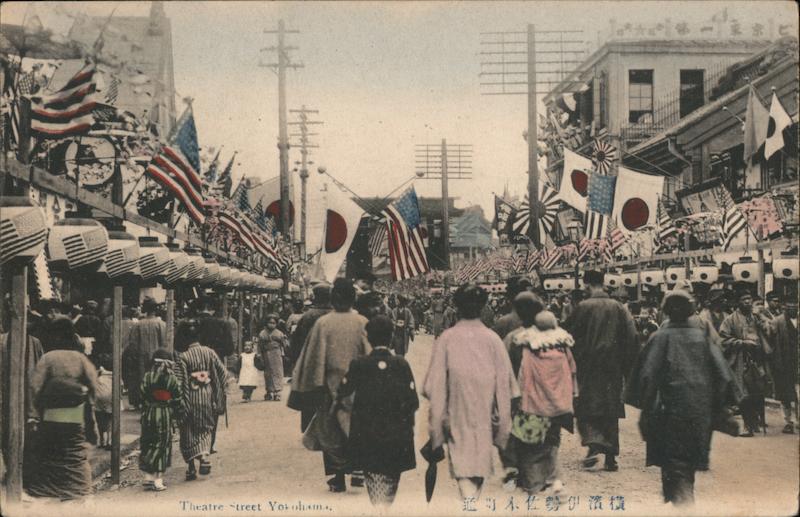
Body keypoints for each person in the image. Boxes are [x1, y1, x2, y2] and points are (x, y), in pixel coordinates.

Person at [626, 290, 741, 507]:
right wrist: (719, 407)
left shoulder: (659, 338)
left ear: (665, 312)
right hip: (700, 413)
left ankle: (683, 504)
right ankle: (682, 499)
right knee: (687, 463)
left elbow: (647, 377)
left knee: (674, 464)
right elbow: (723, 376)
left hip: (669, 412)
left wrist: (645, 410)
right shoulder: (702, 338)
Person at [423, 284, 515, 500]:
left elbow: (432, 387)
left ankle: (469, 503)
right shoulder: (493, 339)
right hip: (485, 418)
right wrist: (503, 428)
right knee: (477, 471)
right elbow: (506, 388)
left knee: (464, 472)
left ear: (457, 306)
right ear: (483, 306)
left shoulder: (447, 338)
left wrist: (436, 428)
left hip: (455, 416)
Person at [290, 278, 370, 492]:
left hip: (329, 386)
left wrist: (312, 385)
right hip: (357, 387)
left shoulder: (323, 323)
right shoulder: (361, 321)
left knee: (331, 431)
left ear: (334, 299)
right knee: (357, 428)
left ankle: (338, 476)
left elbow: (313, 357)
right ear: (353, 299)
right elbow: (368, 353)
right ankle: (358, 470)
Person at [336, 315, 418, 506]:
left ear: (368, 338)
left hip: (366, 436)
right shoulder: (401, 364)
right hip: (396, 437)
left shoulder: (359, 364)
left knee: (374, 482)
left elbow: (343, 392)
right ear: (391, 337)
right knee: (390, 483)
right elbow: (412, 401)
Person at [564, 270, 638, 472]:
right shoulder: (619, 308)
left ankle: (593, 444)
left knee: (586, 407)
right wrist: (626, 365)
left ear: (587, 285)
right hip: (612, 366)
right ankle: (611, 457)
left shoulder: (583, 307)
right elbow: (631, 337)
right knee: (610, 409)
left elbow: (569, 335)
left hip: (587, 365)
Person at [504, 293, 576, 495]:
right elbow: (571, 369)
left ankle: (533, 485)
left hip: (528, 402)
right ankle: (553, 478)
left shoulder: (516, 339)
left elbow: (505, 369)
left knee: (528, 444)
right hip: (556, 402)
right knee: (551, 441)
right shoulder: (559, 338)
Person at [27, 318, 98, 499]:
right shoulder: (80, 358)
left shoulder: (47, 358)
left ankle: (51, 491)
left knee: (52, 454)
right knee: (74, 454)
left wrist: (34, 414)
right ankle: (78, 489)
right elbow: (93, 384)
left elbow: (35, 387)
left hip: (50, 414)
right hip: (75, 414)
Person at [176, 319, 227, 481]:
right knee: (205, 428)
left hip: (189, 397)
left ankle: (191, 467)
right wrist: (218, 389)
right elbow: (223, 374)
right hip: (207, 396)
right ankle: (204, 457)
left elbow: (178, 381)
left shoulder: (183, 357)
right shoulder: (209, 352)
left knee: (187, 431)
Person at [719, 290, 771, 436]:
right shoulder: (730, 320)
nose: (747, 302)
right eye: (744, 299)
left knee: (757, 391)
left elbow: (769, 331)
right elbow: (723, 339)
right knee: (743, 393)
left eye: (749, 299)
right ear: (738, 303)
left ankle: (755, 423)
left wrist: (761, 316)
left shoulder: (755, 317)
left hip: (757, 359)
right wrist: (742, 343)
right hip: (740, 360)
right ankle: (748, 425)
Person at [288, 283, 333, 431]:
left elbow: (296, 341)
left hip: (310, 360)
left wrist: (296, 361)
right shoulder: (334, 314)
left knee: (310, 393)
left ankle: (308, 428)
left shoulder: (308, 316)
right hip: (331, 362)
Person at [139, 348, 182, 491]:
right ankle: (158, 479)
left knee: (148, 441)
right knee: (162, 445)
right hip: (163, 413)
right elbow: (177, 398)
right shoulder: (172, 379)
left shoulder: (147, 377)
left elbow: (142, 395)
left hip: (149, 413)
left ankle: (148, 476)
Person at [126, 297, 167, 408]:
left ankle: (143, 400)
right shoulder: (162, 324)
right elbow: (164, 343)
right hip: (158, 356)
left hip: (141, 357)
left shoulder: (138, 324)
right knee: (157, 378)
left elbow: (133, 344)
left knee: (142, 378)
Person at [769, 300, 798, 434]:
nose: (793, 309)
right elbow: (771, 341)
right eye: (789, 306)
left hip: (797, 363)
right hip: (784, 362)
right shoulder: (777, 321)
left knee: (798, 392)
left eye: (795, 307)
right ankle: (788, 421)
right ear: (785, 308)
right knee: (785, 394)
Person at [258, 315, 287, 401]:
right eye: (270, 323)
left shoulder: (279, 333)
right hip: (266, 353)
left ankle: (277, 392)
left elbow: (284, 344)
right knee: (268, 373)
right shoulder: (262, 333)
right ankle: (269, 391)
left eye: (274, 323)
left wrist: (285, 346)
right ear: (266, 323)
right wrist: (259, 354)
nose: (271, 325)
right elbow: (259, 346)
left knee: (277, 371)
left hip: (276, 353)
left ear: (276, 324)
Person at [94, 354, 114, 450]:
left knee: (99, 420)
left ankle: (101, 440)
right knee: (110, 420)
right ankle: (109, 441)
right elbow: (121, 387)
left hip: (98, 399)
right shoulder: (116, 375)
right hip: (111, 399)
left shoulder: (98, 373)